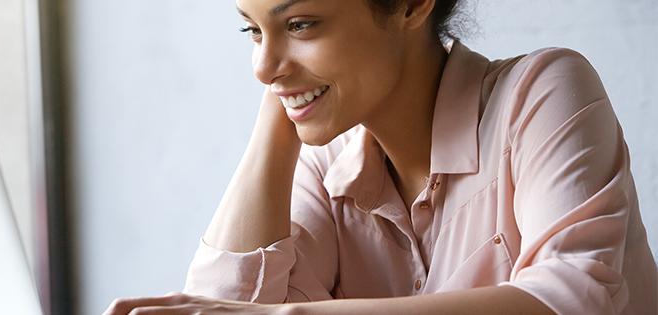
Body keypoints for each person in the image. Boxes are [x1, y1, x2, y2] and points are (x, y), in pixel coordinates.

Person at [103, 0, 657, 314]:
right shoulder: (324, 169)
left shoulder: (541, 92)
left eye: (299, 24)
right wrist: (285, 97)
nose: (260, 65)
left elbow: (575, 298)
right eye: (252, 30)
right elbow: (219, 305)